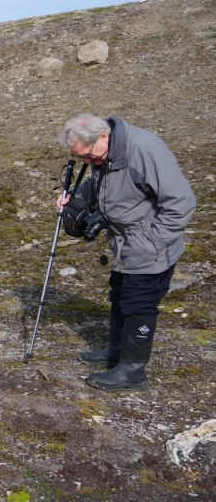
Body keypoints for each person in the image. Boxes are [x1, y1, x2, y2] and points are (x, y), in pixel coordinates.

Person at [57, 114, 196, 391]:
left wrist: (152, 243)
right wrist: (78, 197)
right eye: (82, 158)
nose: (89, 163)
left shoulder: (145, 149)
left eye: (91, 157)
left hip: (150, 242)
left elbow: (181, 202)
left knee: (139, 302)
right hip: (125, 242)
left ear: (103, 137)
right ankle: (116, 353)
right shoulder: (105, 152)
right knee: (120, 293)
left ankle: (132, 373)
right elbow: (101, 183)